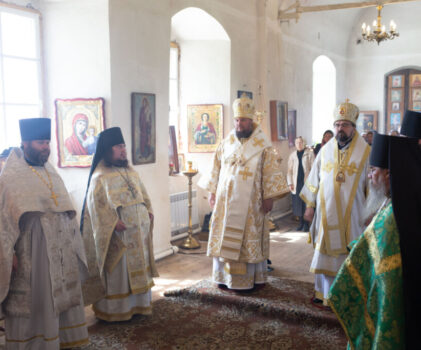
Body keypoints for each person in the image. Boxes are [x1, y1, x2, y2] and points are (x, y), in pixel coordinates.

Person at [0, 118, 89, 349]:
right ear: (25, 143)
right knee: (36, 301)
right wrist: (8, 254)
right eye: (41, 142)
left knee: (58, 298)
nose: (46, 147)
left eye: (48, 142)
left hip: (60, 247)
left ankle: (59, 340)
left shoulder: (50, 171)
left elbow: (65, 207)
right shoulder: (9, 178)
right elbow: (2, 220)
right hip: (32, 251)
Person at [329, 133, 421, 349]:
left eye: (373, 171)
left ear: (389, 175)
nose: (369, 177)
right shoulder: (400, 204)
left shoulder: (392, 218)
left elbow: (379, 264)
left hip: (392, 299)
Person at [199, 94, 289, 290]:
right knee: (226, 239)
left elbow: (270, 172)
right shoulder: (226, 144)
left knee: (248, 239)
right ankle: (223, 277)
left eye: (244, 120)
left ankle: (251, 280)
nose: (239, 124)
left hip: (252, 205)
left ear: (251, 121)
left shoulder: (263, 147)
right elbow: (216, 169)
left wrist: (269, 197)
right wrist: (212, 192)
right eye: (237, 120)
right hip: (225, 203)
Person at [81, 127, 158, 321]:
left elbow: (143, 194)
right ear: (108, 150)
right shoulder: (99, 176)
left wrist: (148, 211)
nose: (123, 150)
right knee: (120, 273)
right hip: (119, 237)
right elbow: (95, 206)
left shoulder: (131, 172)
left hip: (138, 233)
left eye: (124, 146)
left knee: (138, 268)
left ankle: (139, 305)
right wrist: (113, 222)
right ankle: (116, 310)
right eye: (118, 146)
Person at [300, 100, 371, 305]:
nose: (340, 129)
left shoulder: (365, 152)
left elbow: (372, 188)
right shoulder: (326, 149)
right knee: (325, 253)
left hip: (355, 215)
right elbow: (314, 180)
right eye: (338, 125)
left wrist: (370, 215)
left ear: (353, 127)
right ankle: (324, 293)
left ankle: (348, 297)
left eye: (345, 125)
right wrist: (309, 206)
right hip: (325, 212)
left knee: (348, 256)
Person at [287, 136, 314, 231]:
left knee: (305, 203)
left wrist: (312, 182)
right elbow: (289, 171)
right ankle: (301, 223)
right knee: (298, 204)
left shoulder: (309, 154)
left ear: (304, 143)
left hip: (306, 182)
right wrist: (290, 183)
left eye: (300, 142)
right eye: (297, 143)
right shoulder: (292, 155)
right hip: (296, 182)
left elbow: (313, 169)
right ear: (295, 144)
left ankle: (306, 224)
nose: (299, 144)